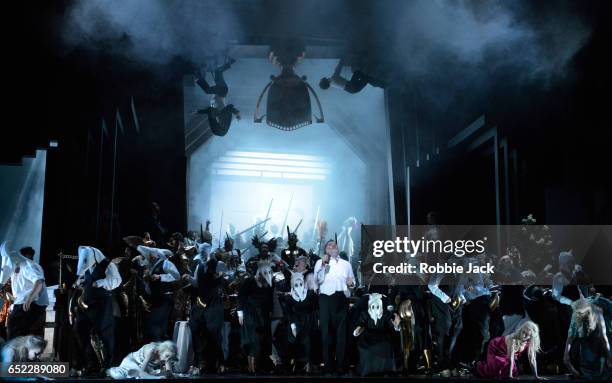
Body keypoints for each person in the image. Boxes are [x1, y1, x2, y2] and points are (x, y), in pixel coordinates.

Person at [73, 246, 122, 372]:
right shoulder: (88, 266)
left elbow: (117, 280)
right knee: (80, 330)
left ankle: (107, 365)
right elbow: (84, 279)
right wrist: (81, 282)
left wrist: (100, 283)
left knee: (104, 333)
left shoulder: (107, 265)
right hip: (86, 303)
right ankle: (89, 363)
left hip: (102, 303)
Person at [314, 240, 355, 375]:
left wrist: (351, 283)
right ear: (326, 250)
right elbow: (317, 281)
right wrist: (323, 265)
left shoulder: (346, 264)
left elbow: (352, 282)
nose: (332, 247)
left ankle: (340, 366)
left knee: (341, 334)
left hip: (341, 298)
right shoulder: (320, 263)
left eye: (334, 245)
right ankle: (328, 366)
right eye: (329, 245)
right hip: (325, 298)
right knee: (326, 334)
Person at [184, 257, 226, 374]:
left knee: (214, 333)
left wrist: (220, 275)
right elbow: (197, 283)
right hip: (201, 303)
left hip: (214, 304)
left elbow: (221, 279)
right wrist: (188, 278)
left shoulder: (218, 273)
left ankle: (220, 362)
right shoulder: (201, 268)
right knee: (195, 328)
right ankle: (199, 363)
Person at [0, 241, 48, 340]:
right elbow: (18, 290)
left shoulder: (28, 266)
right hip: (21, 303)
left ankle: (14, 351)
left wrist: (29, 299)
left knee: (14, 326)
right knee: (16, 330)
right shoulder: (16, 267)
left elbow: (39, 281)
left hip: (33, 303)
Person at [136, 245, 180, 342]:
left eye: (150, 256)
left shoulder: (165, 263)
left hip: (165, 297)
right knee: (157, 325)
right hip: (157, 299)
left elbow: (176, 276)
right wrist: (147, 281)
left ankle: (161, 346)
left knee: (155, 324)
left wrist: (160, 277)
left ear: (155, 256)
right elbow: (149, 288)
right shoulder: (152, 268)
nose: (149, 258)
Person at [237, 260, 274, 374]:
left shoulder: (267, 286)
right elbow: (241, 296)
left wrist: (270, 312)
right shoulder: (249, 282)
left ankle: (255, 366)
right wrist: (240, 313)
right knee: (253, 340)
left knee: (260, 341)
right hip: (249, 315)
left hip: (262, 317)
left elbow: (269, 301)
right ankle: (251, 367)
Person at [564, 293, 612, 379]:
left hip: (606, 307)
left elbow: (604, 338)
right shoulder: (576, 315)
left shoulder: (598, 313)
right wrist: (566, 355)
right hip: (586, 305)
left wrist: (609, 356)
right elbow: (570, 337)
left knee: (606, 335)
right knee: (584, 339)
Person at [353, 293, 401, 376]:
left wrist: (396, 325)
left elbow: (391, 325)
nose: (375, 309)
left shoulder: (385, 315)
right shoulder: (365, 314)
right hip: (368, 337)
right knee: (367, 350)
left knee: (385, 346)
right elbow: (360, 324)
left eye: (378, 306)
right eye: (373, 306)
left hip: (382, 336)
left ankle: (386, 370)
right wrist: (358, 330)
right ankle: (367, 370)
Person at [476, 321, 542, 379]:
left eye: (527, 335)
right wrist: (510, 376)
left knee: (512, 371)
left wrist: (536, 376)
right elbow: (510, 358)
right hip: (495, 347)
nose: (523, 335)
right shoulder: (513, 339)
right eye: (523, 332)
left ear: (531, 337)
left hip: (505, 352)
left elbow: (532, 359)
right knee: (497, 368)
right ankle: (478, 366)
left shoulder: (530, 342)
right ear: (521, 329)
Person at [282, 271, 318, 374]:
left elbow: (315, 308)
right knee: (293, 341)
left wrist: (315, 320)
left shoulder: (310, 294)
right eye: (296, 284)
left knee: (308, 342)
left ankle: (308, 364)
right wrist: (293, 326)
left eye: (300, 283)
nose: (299, 286)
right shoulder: (289, 298)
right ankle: (294, 363)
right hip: (295, 323)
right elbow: (288, 313)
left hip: (308, 322)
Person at [194, 58, 240, 137]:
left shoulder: (219, 114)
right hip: (222, 91)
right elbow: (229, 108)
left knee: (218, 71)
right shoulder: (222, 113)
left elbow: (209, 110)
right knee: (208, 90)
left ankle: (231, 61)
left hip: (222, 90)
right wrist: (237, 113)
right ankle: (198, 77)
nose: (217, 120)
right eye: (218, 122)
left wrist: (198, 111)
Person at [107, 340, 177, 379]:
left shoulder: (167, 354)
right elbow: (142, 372)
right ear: (162, 350)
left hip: (142, 366)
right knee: (121, 376)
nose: (167, 359)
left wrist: (169, 374)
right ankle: (112, 370)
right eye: (167, 356)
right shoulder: (152, 351)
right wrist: (158, 378)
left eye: (170, 357)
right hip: (132, 361)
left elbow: (169, 373)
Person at [319, 57, 387, 94]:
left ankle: (383, 84)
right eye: (321, 80)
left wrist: (341, 62)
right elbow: (337, 70)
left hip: (352, 89)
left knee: (364, 76)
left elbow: (337, 71)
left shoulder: (332, 83)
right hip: (352, 87)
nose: (321, 78)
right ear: (324, 81)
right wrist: (342, 60)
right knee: (360, 74)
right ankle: (383, 84)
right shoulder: (332, 79)